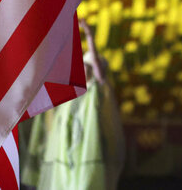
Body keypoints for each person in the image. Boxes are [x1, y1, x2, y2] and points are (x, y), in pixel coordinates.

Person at [21, 19, 124, 190]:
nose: (84, 69)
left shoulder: (97, 92)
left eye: (88, 66)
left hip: (87, 154)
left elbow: (99, 76)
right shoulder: (72, 91)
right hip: (65, 152)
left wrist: (89, 37)